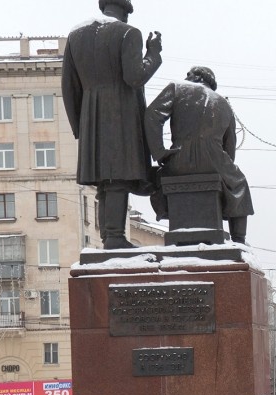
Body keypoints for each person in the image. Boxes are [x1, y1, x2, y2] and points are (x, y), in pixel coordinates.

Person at [62, 0, 163, 249]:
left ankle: (110, 235)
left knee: (104, 182)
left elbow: (69, 87)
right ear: (125, 11)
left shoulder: (76, 36)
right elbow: (135, 76)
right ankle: (115, 236)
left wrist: (80, 127)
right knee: (117, 177)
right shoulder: (128, 33)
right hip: (121, 114)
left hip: (90, 117)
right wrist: (153, 54)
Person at [145, 66, 254, 244]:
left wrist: (160, 153)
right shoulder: (224, 103)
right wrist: (222, 170)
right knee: (239, 183)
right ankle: (239, 240)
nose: (186, 77)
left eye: (189, 74)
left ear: (196, 77)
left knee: (149, 177)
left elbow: (152, 115)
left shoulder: (177, 88)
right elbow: (230, 147)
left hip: (178, 161)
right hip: (215, 162)